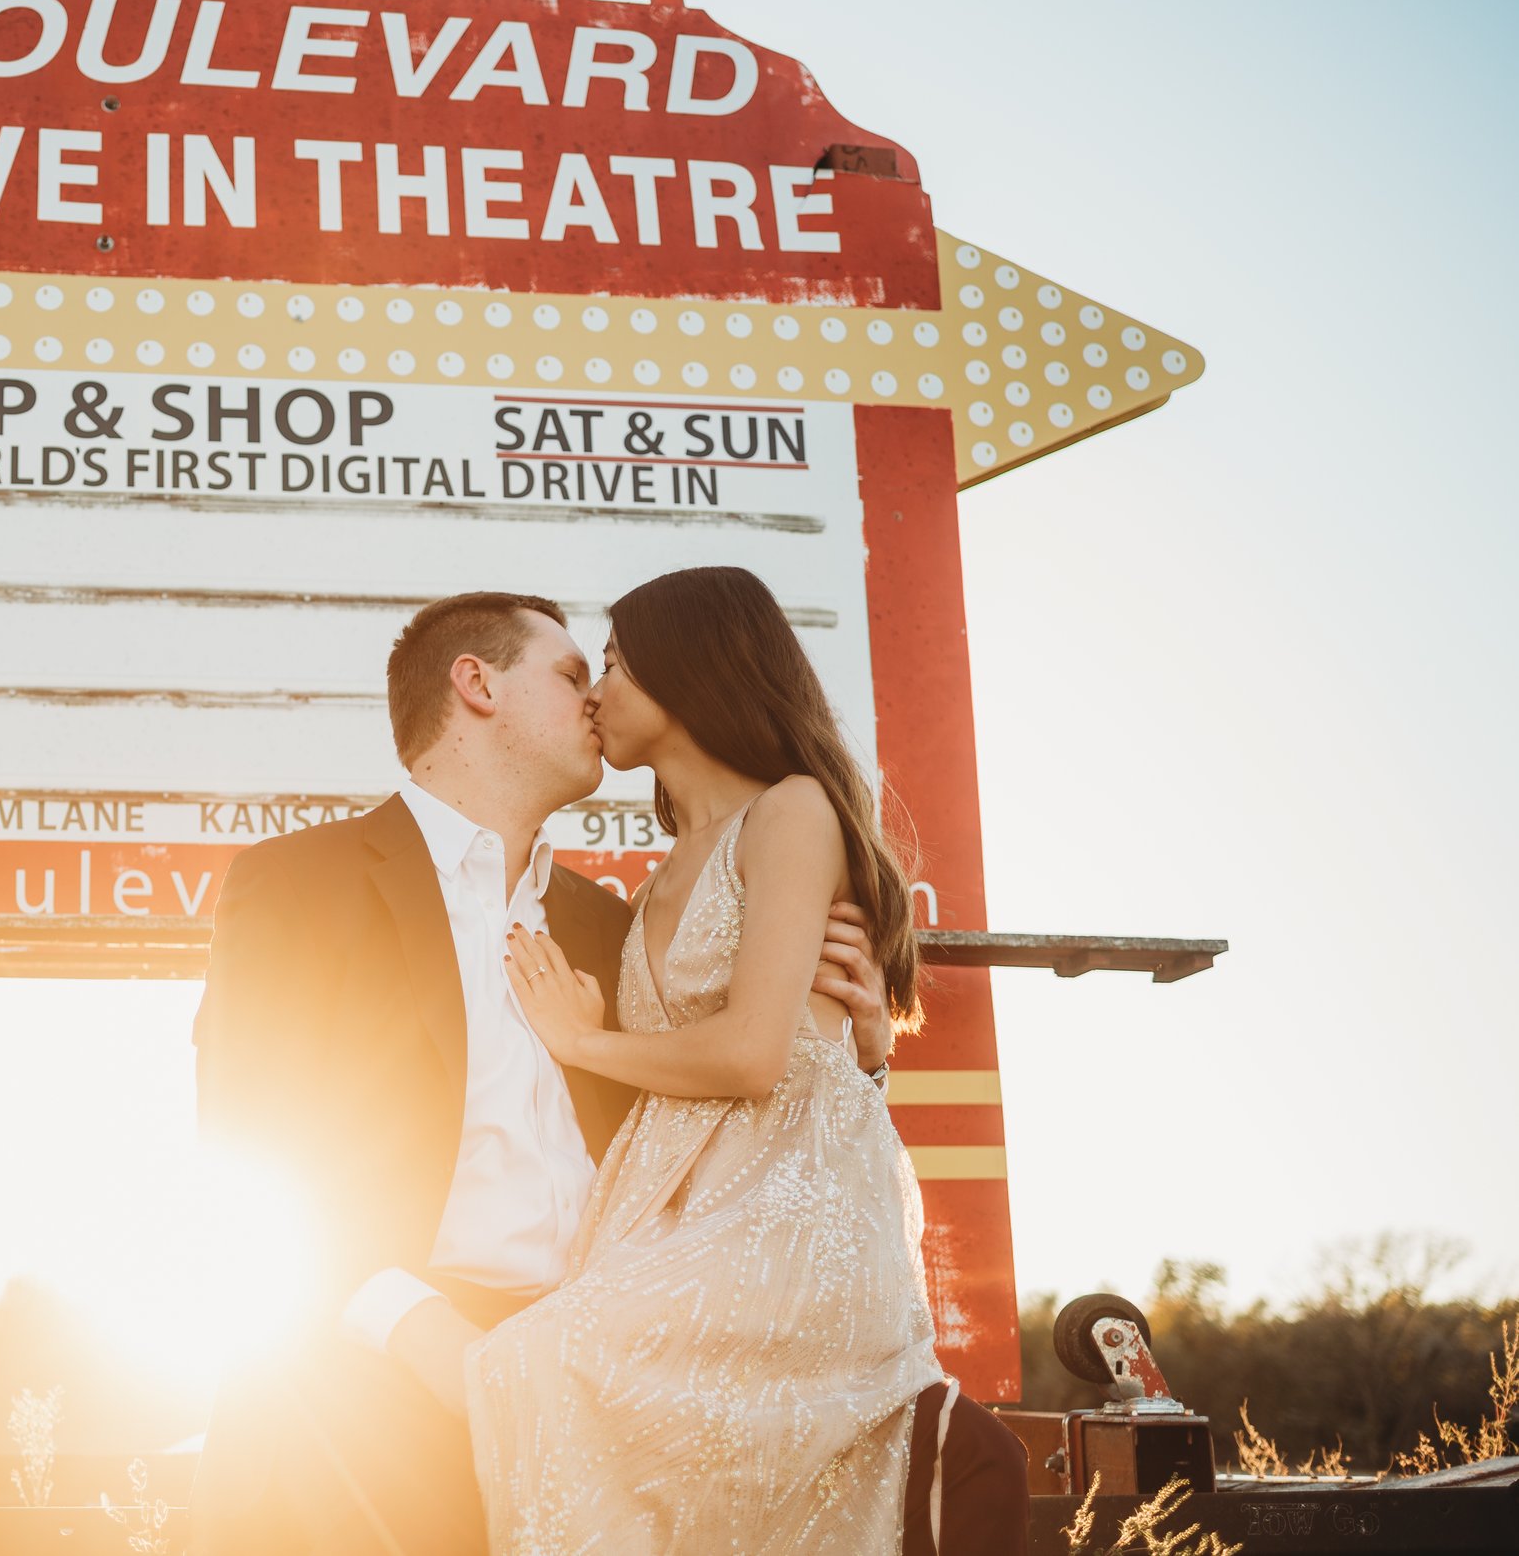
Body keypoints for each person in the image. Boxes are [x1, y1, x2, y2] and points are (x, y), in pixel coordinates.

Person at [189, 590, 897, 1556]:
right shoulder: (297, 882)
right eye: (573, 674)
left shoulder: (621, 928)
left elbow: (728, 1114)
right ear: (476, 684)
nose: (596, 698)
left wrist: (855, 1053)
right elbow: (247, 1143)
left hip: (608, 1399)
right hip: (367, 1393)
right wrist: (431, 1343)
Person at [469, 565, 1026, 1555]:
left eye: (615, 663)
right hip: (676, 1205)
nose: (596, 691)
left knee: (538, 1361)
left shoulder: (792, 812)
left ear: (689, 674)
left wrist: (584, 1039)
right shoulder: (654, 879)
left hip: (786, 1202)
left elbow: (754, 1054)